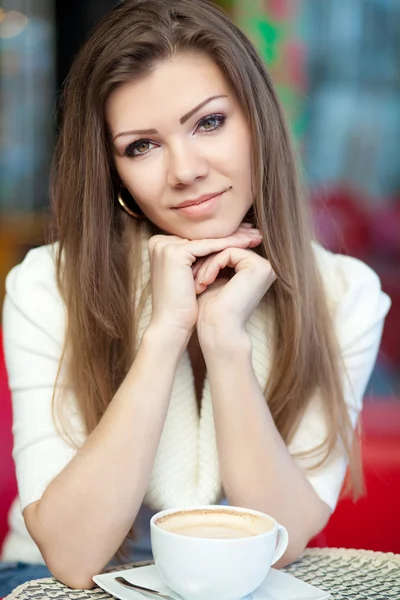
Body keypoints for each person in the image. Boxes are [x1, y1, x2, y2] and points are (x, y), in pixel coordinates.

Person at [0, 0, 391, 594]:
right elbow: (73, 558)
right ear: (115, 175)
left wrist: (225, 339)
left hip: (244, 583)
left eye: (208, 122)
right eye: (141, 146)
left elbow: (282, 542)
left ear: (257, 122)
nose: (185, 170)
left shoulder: (343, 293)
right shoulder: (45, 285)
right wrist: (164, 334)